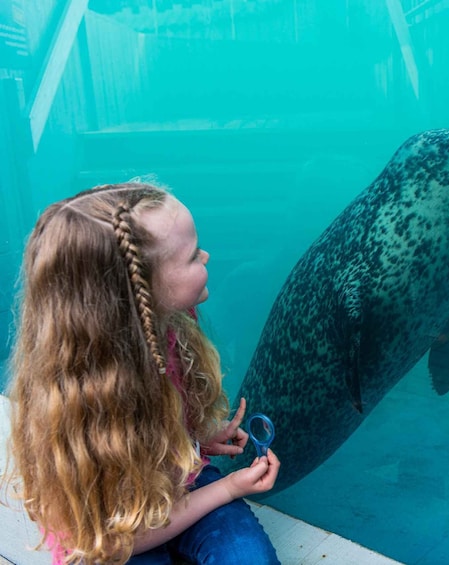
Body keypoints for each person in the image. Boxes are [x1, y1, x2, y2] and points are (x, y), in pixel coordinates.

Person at [1, 182, 281, 564]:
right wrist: (229, 488)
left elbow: (161, 424)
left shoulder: (167, 326)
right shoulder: (83, 405)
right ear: (139, 294)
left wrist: (195, 439)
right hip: (111, 535)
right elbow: (117, 541)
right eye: (190, 257)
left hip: (179, 483)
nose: (206, 255)